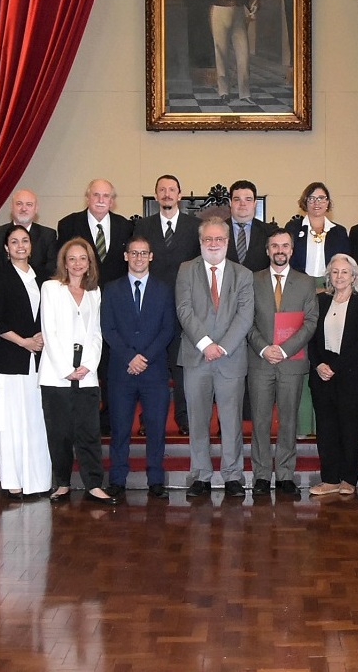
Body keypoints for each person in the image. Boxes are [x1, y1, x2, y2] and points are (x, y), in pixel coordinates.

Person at [175, 219, 255, 497]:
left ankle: (233, 475)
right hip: (197, 357)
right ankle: (200, 475)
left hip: (230, 358)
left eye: (219, 239)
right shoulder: (187, 270)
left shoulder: (243, 274)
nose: (213, 244)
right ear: (200, 242)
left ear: (227, 242)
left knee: (232, 421)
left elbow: (245, 316)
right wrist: (206, 344)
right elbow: (184, 310)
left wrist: (222, 347)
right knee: (198, 419)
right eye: (208, 239)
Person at [38, 238, 114, 505]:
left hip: (87, 374)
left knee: (89, 432)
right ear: (64, 262)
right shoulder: (50, 288)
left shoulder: (95, 292)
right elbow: (49, 331)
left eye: (83, 258)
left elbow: (96, 333)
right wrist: (66, 369)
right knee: (59, 433)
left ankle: (94, 484)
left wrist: (87, 366)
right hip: (56, 374)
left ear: (89, 262)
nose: (78, 264)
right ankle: (62, 483)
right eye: (72, 259)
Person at [100, 234, 175, 498]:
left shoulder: (164, 289)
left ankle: (156, 479)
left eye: (144, 253)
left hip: (153, 372)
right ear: (126, 256)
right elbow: (107, 328)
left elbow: (168, 330)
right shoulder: (111, 289)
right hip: (121, 370)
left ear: (151, 257)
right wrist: (130, 357)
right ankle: (117, 479)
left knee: (156, 428)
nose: (139, 258)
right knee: (120, 429)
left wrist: (145, 358)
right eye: (134, 253)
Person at [246, 230, 320, 494]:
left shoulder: (306, 282)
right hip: (260, 361)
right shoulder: (252, 280)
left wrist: (285, 350)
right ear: (267, 250)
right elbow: (246, 320)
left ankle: (286, 474)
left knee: (289, 420)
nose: (280, 250)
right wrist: (265, 348)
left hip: (292, 362)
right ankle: (262, 476)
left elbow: (311, 321)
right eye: (274, 245)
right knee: (261, 420)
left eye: (285, 246)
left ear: (291, 250)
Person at [0, 226, 51, 499]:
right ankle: (12, 479)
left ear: (31, 245)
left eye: (25, 241)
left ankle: (37, 479)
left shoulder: (44, 279)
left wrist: (41, 336)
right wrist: (24, 342)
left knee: (36, 419)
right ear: (6, 247)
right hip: (10, 359)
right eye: (14, 242)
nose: (20, 246)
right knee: (10, 421)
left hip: (39, 360)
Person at [134, 175, 201, 435]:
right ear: (156, 195)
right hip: (151, 309)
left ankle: (185, 420)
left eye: (171, 190)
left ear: (180, 195)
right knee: (151, 368)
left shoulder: (194, 226)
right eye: (161, 190)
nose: (167, 194)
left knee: (182, 368)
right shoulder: (143, 226)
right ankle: (148, 420)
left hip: (185, 309)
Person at [307, 254, 358, 496]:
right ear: (329, 276)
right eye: (334, 272)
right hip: (322, 376)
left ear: (353, 276)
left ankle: (348, 479)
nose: (339, 276)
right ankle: (329, 480)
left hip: (350, 376)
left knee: (349, 429)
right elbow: (311, 339)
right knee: (326, 430)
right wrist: (318, 365)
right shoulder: (320, 301)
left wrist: (334, 366)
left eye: (344, 272)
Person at [201, 0, 258, 103]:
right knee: (222, 54)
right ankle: (224, 91)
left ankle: (245, 94)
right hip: (219, 13)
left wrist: (253, 3)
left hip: (239, 14)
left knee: (243, 55)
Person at [56, 179, 132, 284]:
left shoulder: (125, 226)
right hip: (81, 291)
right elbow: (60, 262)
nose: (100, 200)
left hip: (115, 293)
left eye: (106, 196)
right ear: (87, 198)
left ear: (111, 201)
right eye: (96, 195)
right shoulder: (68, 225)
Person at [285, 181, 352, 285]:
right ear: (305, 202)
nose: (317, 203)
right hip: (298, 285)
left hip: (331, 287)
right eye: (311, 198)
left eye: (321, 198)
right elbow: (287, 259)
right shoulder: (293, 228)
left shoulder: (339, 232)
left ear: (327, 202)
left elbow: (344, 263)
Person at [0, 189, 59, 281]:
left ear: (36, 209)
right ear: (11, 207)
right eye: (19, 204)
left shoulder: (48, 235)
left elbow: (51, 270)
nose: (24, 209)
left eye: (29, 204)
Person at [226, 179, 276, 271]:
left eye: (248, 199)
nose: (242, 204)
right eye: (237, 199)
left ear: (255, 203)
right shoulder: (217, 231)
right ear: (230, 203)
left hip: (258, 284)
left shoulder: (270, 232)